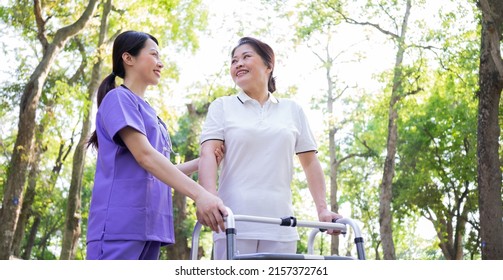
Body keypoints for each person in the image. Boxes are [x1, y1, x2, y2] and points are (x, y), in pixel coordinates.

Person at [86, 30, 227, 260]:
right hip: (119, 226)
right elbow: (146, 157)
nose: (160, 63)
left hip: (151, 228)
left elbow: (157, 170)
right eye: (154, 55)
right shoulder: (118, 99)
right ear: (128, 58)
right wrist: (200, 195)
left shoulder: (151, 113)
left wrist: (202, 162)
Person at [198, 37, 342, 260]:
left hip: (281, 224)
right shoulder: (222, 106)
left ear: (268, 65)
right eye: (234, 60)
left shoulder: (292, 109)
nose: (238, 64)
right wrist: (209, 198)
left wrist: (322, 209)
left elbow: (310, 163)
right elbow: (208, 154)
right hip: (233, 221)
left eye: (246, 57)